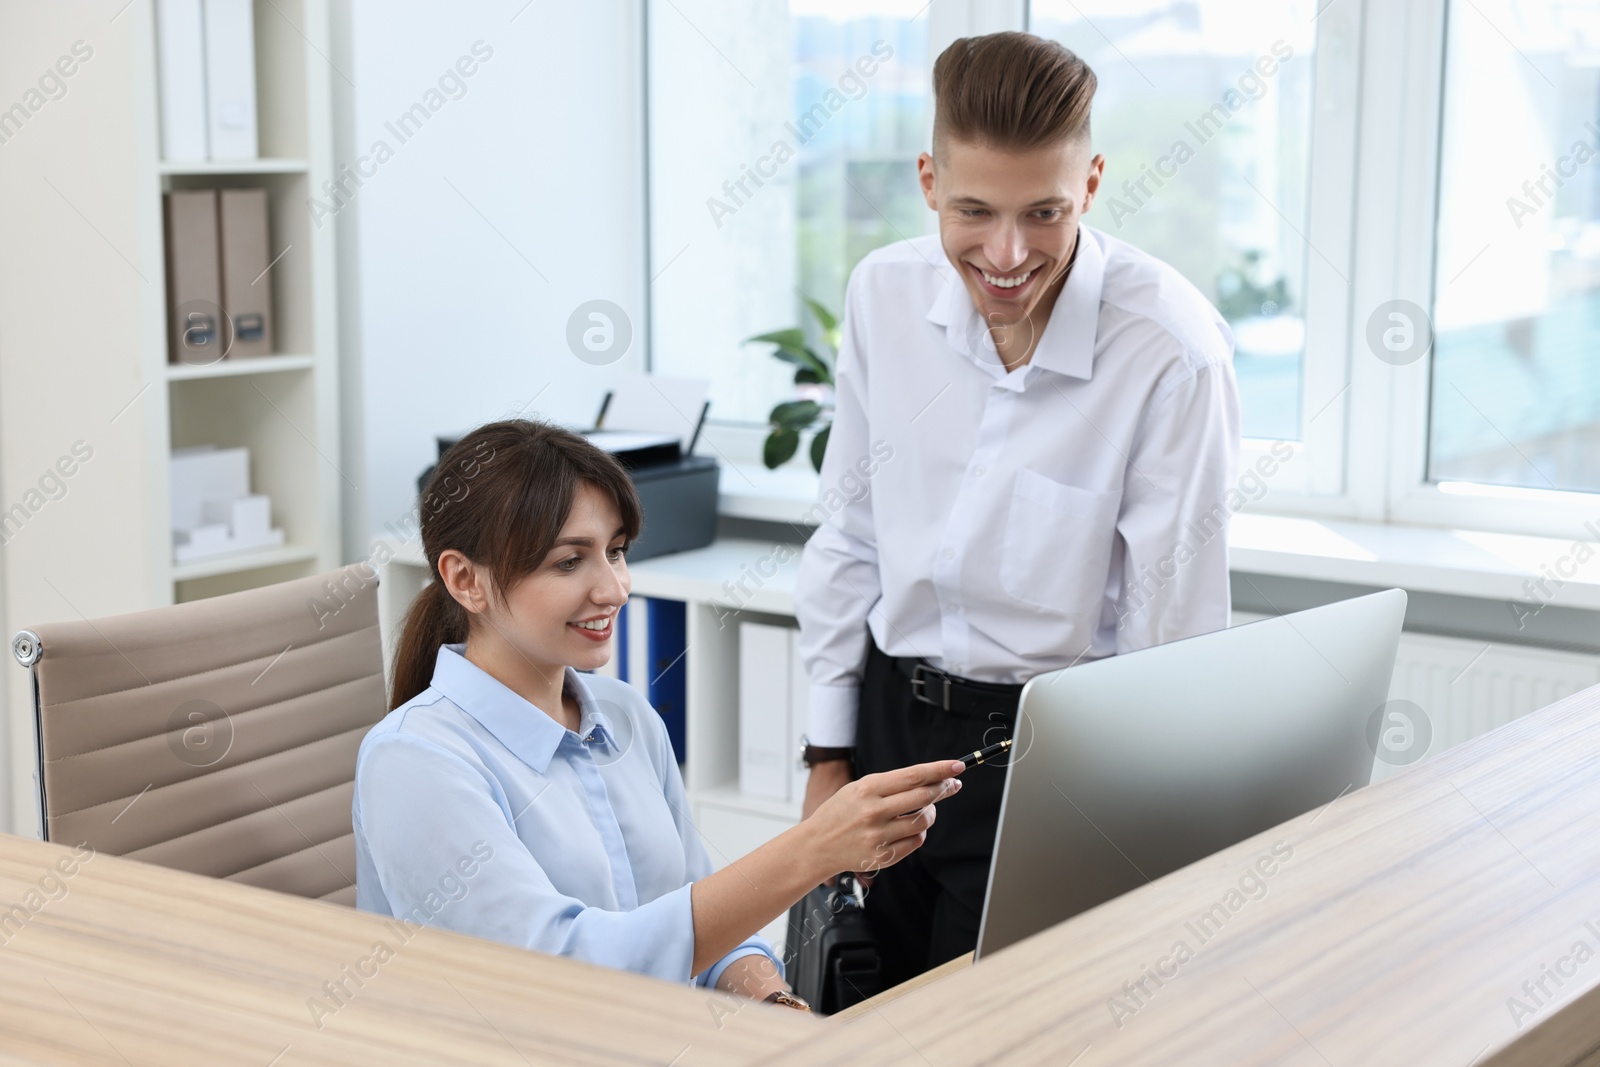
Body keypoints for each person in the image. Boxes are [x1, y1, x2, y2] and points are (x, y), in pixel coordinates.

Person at [793, 31, 1242, 988]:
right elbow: (851, 532)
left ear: (1091, 183)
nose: (1006, 255)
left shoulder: (1170, 348)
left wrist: (1150, 839)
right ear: (926, 181)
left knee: (990, 1025)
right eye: (974, 211)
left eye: (1043, 212)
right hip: (887, 723)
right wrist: (826, 756)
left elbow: (1174, 627)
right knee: (855, 1003)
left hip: (1046, 752)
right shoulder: (883, 295)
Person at [354, 419, 966, 1009]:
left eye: (615, 552)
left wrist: (772, 1003)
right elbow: (554, 977)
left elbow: (706, 920)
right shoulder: (415, 762)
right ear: (466, 580)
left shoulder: (625, 716)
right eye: (570, 562)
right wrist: (811, 851)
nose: (615, 589)